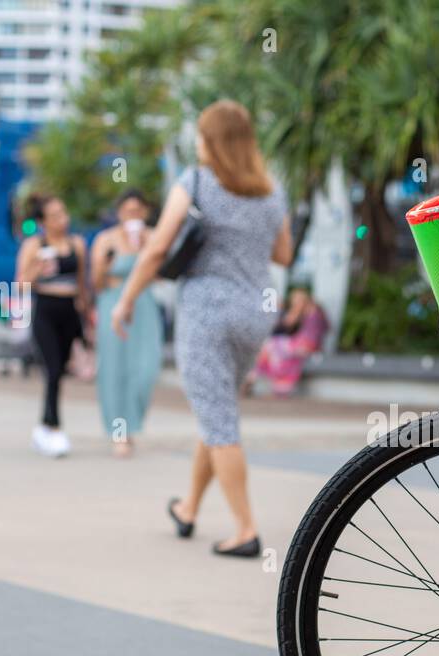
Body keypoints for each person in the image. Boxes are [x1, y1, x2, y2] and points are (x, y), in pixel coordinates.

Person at [112, 100, 292, 558]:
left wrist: (127, 300)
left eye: (199, 135)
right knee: (217, 412)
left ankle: (245, 529)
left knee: (219, 422)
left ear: (212, 141)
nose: (196, 143)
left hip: (207, 312)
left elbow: (155, 250)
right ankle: (189, 508)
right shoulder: (271, 191)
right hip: (255, 312)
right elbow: (284, 255)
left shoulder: (195, 183)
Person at [15, 193, 89, 458]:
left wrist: (86, 315)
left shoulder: (76, 243)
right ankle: (54, 427)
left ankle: (43, 428)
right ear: (44, 221)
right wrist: (38, 267)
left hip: (69, 311)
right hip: (45, 309)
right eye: (55, 216)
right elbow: (21, 283)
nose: (62, 220)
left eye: (63, 213)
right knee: (53, 369)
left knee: (61, 371)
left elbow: (82, 283)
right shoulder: (35, 245)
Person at [91, 189, 163, 458]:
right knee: (114, 370)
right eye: (128, 211)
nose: (133, 216)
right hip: (113, 302)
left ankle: (133, 423)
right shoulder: (105, 240)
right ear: (119, 212)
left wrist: (145, 246)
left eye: (138, 211)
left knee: (146, 368)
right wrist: (103, 264)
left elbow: (163, 274)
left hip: (143, 304)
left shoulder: (153, 237)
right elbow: (96, 282)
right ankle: (119, 432)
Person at [250, 285, 327, 396]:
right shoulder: (311, 312)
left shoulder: (312, 312)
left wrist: (292, 311)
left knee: (271, 345)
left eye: (296, 301)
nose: (294, 304)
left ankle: (257, 377)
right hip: (303, 344)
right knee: (271, 346)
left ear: (303, 301)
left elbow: (288, 326)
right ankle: (262, 378)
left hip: (306, 345)